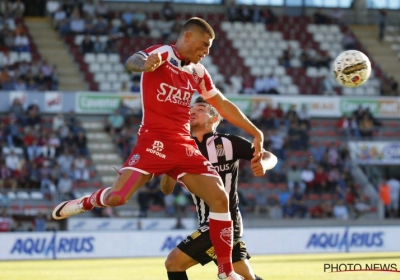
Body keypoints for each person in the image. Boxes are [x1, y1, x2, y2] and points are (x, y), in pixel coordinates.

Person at [52, 17, 264, 280]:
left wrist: (256, 132)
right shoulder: (163, 53)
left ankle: (226, 271)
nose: (207, 51)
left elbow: (222, 104)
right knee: (118, 198)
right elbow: (132, 62)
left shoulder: (197, 71)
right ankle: (85, 202)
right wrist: (145, 63)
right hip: (153, 142)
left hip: (183, 145)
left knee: (220, 199)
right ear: (187, 37)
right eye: (205, 44)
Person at [160, 97, 277, 280]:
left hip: (226, 219)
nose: (192, 112)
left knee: (174, 262)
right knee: (244, 274)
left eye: (200, 109)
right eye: (191, 109)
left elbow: (270, 156)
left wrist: (264, 164)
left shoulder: (228, 143)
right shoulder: (181, 149)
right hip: (206, 221)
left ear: (214, 118)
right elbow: (166, 189)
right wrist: (169, 169)